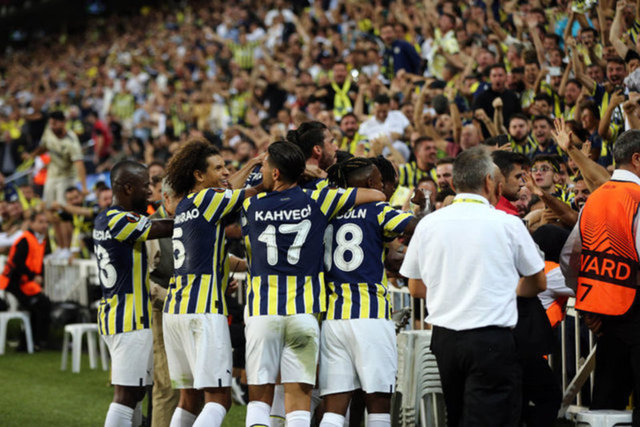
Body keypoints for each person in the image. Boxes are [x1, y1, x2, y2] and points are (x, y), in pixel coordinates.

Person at [240, 141, 385, 427]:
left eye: (266, 167)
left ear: (276, 173)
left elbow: (237, 193)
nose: (263, 172)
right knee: (299, 404)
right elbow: (377, 193)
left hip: (262, 313)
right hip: (303, 314)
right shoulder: (318, 200)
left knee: (259, 401)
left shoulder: (250, 204)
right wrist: (310, 177)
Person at [400, 146, 547, 425]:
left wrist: (451, 292)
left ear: (455, 183)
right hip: (490, 337)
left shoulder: (429, 224)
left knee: (457, 416)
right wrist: (510, 290)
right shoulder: (507, 223)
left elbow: (415, 288)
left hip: (445, 339)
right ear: (489, 182)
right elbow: (538, 280)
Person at [162, 140, 261, 427]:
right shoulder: (209, 198)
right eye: (218, 168)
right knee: (219, 399)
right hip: (202, 312)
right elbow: (251, 191)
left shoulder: (184, 206)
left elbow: (204, 253)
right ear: (198, 175)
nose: (226, 172)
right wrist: (261, 167)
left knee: (189, 400)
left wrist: (232, 271)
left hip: (176, 311)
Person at [319, 157, 417, 427]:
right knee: (379, 406)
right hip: (370, 316)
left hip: (334, 318)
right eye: (379, 180)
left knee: (334, 409)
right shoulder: (377, 209)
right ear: (370, 182)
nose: (382, 185)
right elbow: (414, 226)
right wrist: (424, 208)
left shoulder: (327, 211)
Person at [561, 128, 640, 422]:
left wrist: (587, 305)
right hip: (635, 307)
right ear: (637, 159)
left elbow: (570, 258)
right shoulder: (637, 198)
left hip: (604, 315)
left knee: (607, 405)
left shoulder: (594, 199)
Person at [93, 160, 173, 427]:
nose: (150, 191)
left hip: (120, 316)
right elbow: (164, 228)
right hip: (129, 320)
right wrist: (196, 214)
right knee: (126, 397)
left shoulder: (104, 217)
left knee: (136, 394)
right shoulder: (120, 219)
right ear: (128, 188)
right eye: (145, 185)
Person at [146, 178, 180, 427]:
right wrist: (170, 298)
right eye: (181, 198)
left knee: (194, 386)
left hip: (190, 310)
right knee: (167, 386)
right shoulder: (151, 227)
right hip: (162, 310)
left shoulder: (189, 221)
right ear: (166, 198)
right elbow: (144, 280)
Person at [0, 211, 51, 350]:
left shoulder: (40, 240)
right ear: (31, 223)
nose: (44, 225)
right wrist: (33, 276)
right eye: (40, 222)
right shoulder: (25, 239)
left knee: (42, 303)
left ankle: (33, 341)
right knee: (39, 304)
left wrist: (38, 279)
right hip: (13, 282)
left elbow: (38, 263)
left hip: (27, 282)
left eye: (46, 222)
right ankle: (33, 342)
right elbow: (17, 263)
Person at [31, 111, 88, 203]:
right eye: (50, 124)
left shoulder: (71, 142)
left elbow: (79, 164)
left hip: (67, 176)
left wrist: (84, 187)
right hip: (52, 174)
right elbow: (44, 147)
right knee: (48, 204)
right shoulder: (48, 131)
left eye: (54, 124)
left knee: (62, 205)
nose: (52, 126)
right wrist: (32, 155)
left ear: (63, 122)